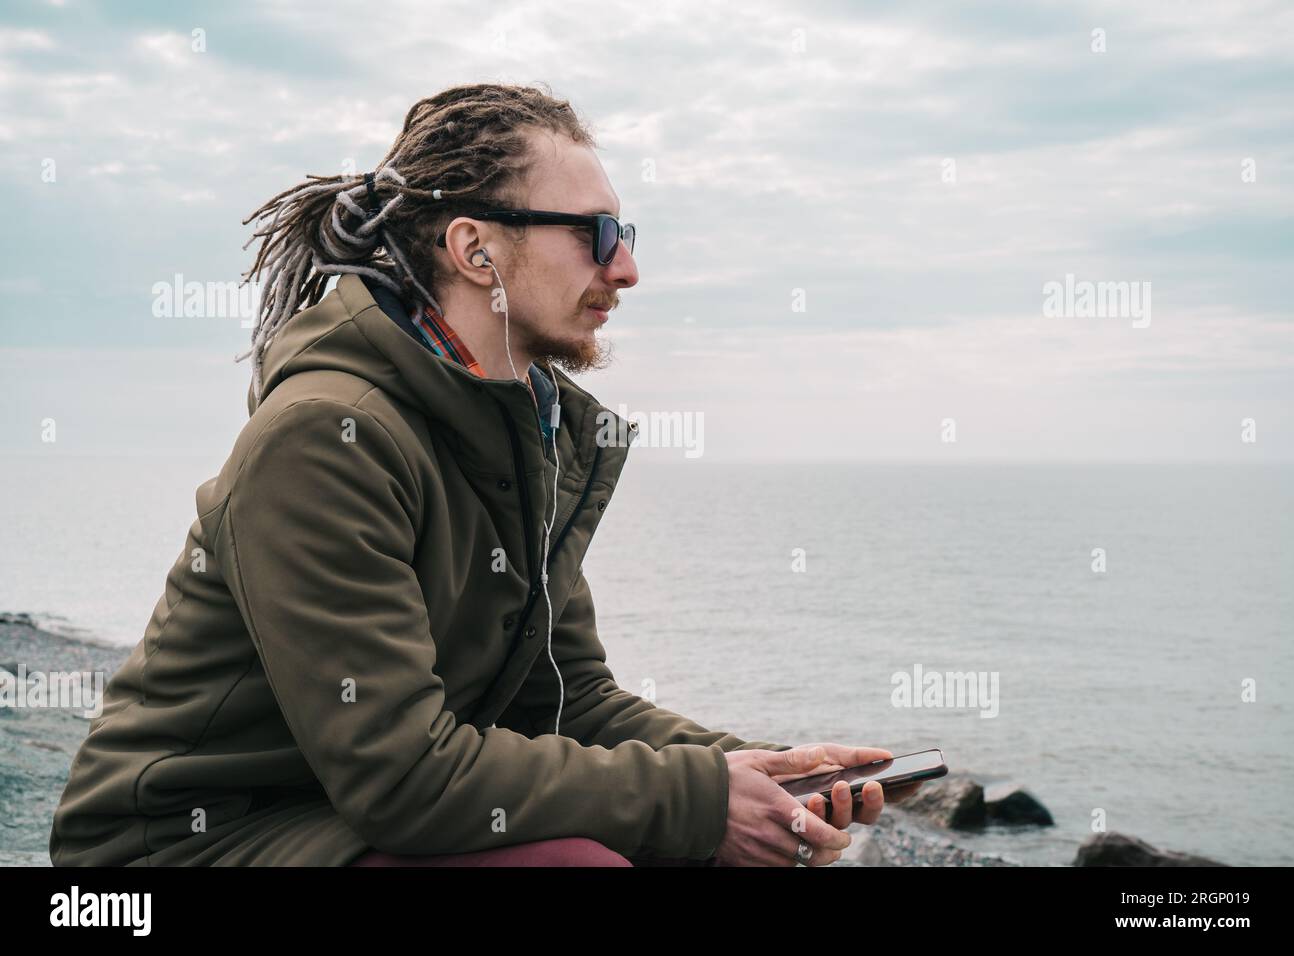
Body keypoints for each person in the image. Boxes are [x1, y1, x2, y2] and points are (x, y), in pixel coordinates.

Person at [49, 83, 921, 868]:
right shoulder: (327, 438)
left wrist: (756, 767)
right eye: (597, 235)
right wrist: (695, 799)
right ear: (475, 250)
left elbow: (565, 697)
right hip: (186, 840)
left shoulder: (528, 433)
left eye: (627, 236)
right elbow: (403, 776)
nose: (626, 268)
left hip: (339, 814)